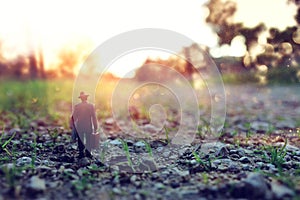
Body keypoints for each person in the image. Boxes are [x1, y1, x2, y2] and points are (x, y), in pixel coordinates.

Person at [70, 91, 98, 158]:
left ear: (81, 98)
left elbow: (73, 117)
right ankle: (88, 152)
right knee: (89, 139)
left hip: (80, 126)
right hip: (88, 125)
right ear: (86, 98)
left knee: (80, 140)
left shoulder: (77, 106)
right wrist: (95, 126)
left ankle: (81, 153)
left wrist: (72, 125)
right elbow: (94, 117)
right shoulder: (91, 106)